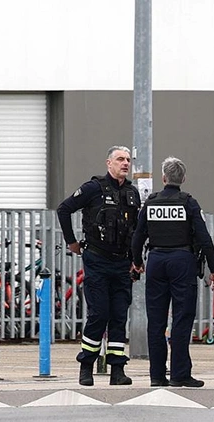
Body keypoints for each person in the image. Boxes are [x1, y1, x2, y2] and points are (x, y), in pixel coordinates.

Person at [131, 157, 214, 387]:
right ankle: (180, 374)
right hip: (182, 261)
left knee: (156, 321)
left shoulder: (151, 203)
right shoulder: (188, 203)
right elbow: (204, 237)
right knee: (182, 318)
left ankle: (157, 376)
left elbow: (138, 236)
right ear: (183, 179)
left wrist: (137, 261)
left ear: (163, 178)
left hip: (156, 261)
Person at [57, 145, 141, 386]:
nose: (125, 163)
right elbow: (64, 209)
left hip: (122, 262)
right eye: (120, 159)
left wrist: (137, 260)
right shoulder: (93, 188)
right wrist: (72, 242)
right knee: (99, 314)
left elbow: (137, 230)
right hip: (97, 260)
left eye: (127, 160)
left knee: (119, 316)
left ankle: (117, 370)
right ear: (109, 163)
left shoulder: (132, 193)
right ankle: (86, 366)